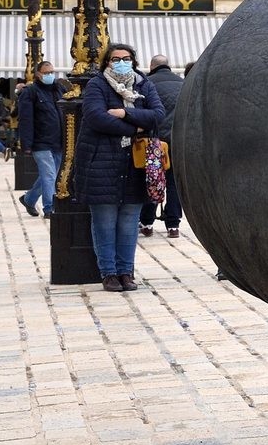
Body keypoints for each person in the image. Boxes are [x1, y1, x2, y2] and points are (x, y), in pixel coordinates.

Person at [74, 43, 165, 293]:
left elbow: (158, 114)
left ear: (133, 61)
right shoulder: (97, 85)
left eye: (126, 58)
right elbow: (95, 117)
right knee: (104, 222)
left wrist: (124, 114)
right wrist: (136, 127)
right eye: (116, 59)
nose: (121, 62)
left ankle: (126, 272)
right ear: (107, 62)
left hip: (135, 165)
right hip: (101, 163)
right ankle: (109, 273)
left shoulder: (144, 85)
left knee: (128, 222)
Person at [139, 55, 187, 238]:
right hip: (177, 139)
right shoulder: (182, 83)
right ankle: (173, 225)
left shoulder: (147, 84)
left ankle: (147, 222)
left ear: (151, 67)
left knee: (152, 180)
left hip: (154, 141)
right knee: (174, 182)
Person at [16, 61, 67, 218]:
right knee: (49, 175)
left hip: (58, 141)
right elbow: (25, 119)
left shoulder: (59, 89)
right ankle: (49, 208)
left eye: (52, 71)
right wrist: (26, 144)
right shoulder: (30, 92)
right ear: (38, 74)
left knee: (51, 175)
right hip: (40, 141)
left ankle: (29, 199)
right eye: (46, 73)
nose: (50, 75)